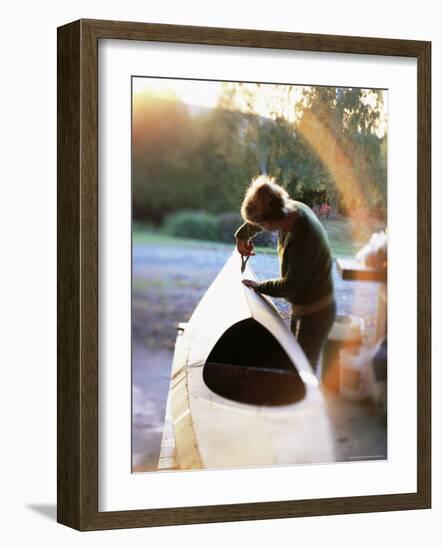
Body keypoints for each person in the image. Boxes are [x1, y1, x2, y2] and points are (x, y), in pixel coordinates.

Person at [234, 174, 336, 374]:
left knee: (302, 370)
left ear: (271, 220)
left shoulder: (304, 236)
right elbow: (262, 217)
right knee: (293, 360)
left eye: (262, 225)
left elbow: (291, 287)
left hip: (317, 312)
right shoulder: (288, 208)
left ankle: (310, 404)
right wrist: (242, 236)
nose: (262, 228)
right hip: (304, 307)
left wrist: (259, 286)